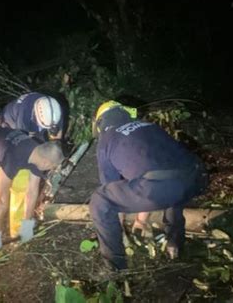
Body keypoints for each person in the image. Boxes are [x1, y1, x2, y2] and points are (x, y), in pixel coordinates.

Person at [89, 100, 208, 271]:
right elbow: (156, 168)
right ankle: (175, 246)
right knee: (172, 183)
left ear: (99, 122)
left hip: (162, 186)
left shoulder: (106, 140)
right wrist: (141, 220)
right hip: (196, 177)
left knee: (100, 200)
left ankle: (115, 270)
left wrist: (121, 231)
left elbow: (112, 192)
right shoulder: (148, 126)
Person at [0, 127, 64, 260]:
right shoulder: (13, 158)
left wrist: (27, 224)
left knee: (23, 182)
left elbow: (31, 191)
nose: (50, 170)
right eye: (51, 167)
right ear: (45, 162)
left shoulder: (38, 152)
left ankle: (19, 232)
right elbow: (1, 201)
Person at [0, 92, 64, 140]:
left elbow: (58, 134)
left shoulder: (54, 107)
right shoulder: (23, 119)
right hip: (8, 119)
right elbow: (23, 144)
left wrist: (56, 141)